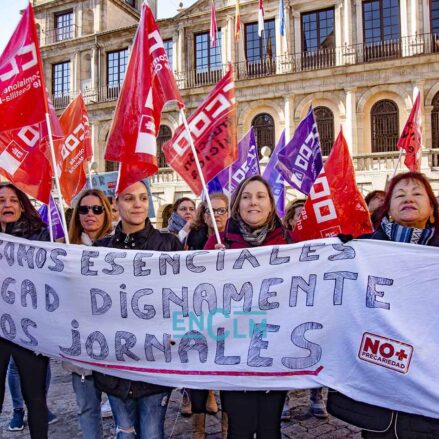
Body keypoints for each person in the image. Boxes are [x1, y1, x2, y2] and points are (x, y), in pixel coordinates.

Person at [328, 172, 439, 438]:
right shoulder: (362, 252)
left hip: (429, 392)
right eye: (399, 195)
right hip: (379, 395)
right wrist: (336, 255)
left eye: (416, 193)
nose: (408, 198)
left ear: (432, 211)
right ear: (387, 211)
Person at [92, 180, 183, 439]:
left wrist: (218, 259)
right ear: (115, 204)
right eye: (129, 198)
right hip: (114, 364)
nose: (137, 204)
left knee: (153, 432)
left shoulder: (170, 245)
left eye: (143, 198)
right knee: (125, 433)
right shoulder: (100, 251)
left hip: (156, 363)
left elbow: (186, 295)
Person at [204, 175, 293, 439]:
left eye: (260, 196)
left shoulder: (290, 241)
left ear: (270, 204)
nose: (253, 202)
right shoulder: (219, 242)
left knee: (270, 429)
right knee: (239, 429)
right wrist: (212, 264)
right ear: (237, 205)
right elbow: (199, 294)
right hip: (234, 351)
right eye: (246, 196)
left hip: (273, 351)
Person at [0, 182, 50, 438]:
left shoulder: (39, 237)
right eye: (1, 201)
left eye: (12, 200)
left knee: (35, 398)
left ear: (21, 206)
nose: (7, 204)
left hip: (29, 329)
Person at [65, 189, 113, 438]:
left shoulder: (122, 249)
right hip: (81, 346)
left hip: (117, 345)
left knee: (122, 411)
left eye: (97, 209)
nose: (90, 214)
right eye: (83, 209)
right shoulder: (63, 250)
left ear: (106, 212)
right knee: (87, 408)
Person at [184, 193, 229, 437]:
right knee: (198, 366)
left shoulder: (236, 238)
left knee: (228, 370)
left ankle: (226, 428)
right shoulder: (196, 236)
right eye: (211, 210)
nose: (216, 215)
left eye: (221, 210)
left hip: (230, 317)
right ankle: (198, 430)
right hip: (200, 311)